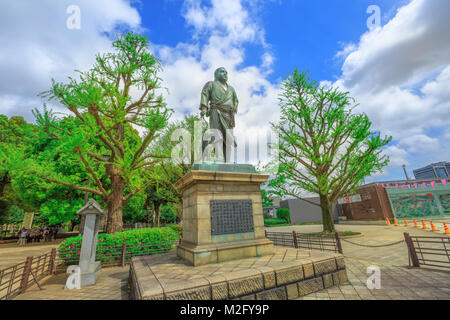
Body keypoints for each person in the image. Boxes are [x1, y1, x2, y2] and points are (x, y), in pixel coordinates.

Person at [200, 67, 238, 163]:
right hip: (216, 111)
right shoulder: (211, 84)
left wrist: (234, 107)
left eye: (226, 72)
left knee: (228, 138)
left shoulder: (231, 89)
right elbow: (205, 94)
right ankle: (219, 157)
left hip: (229, 115)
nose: (225, 74)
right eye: (222, 72)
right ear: (216, 74)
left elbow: (236, 100)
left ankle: (227, 160)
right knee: (217, 133)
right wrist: (204, 108)